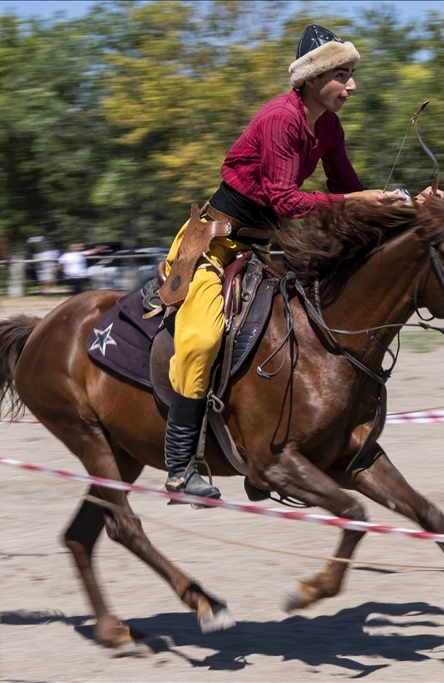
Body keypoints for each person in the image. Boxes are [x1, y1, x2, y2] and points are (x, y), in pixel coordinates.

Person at [160, 24, 401, 499]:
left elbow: (345, 190)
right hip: (213, 246)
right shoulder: (280, 119)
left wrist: (397, 204)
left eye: (351, 74)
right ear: (312, 79)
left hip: (260, 250)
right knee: (203, 338)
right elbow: (286, 201)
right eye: (343, 75)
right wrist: (360, 201)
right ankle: (179, 465)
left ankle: (263, 452)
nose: (352, 85)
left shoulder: (329, 126)